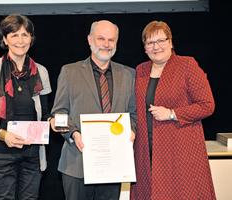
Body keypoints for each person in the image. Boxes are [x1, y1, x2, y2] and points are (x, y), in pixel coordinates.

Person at [50, 20, 137, 200]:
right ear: (90, 40)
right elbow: (59, 113)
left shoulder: (129, 74)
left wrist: (132, 130)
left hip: (114, 165)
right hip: (76, 163)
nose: (106, 44)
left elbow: (133, 113)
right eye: (101, 38)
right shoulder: (69, 71)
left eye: (111, 40)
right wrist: (73, 133)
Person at [130, 21, 216, 199]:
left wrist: (172, 113)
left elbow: (207, 105)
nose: (156, 47)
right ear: (144, 47)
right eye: (150, 43)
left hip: (180, 150)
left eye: (161, 40)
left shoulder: (187, 65)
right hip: (146, 152)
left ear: (170, 42)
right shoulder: (140, 70)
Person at [0, 14, 52, 200]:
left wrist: (53, 121)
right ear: (5, 39)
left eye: (25, 35)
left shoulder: (41, 71)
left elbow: (45, 112)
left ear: (31, 39)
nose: (20, 41)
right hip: (0, 151)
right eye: (14, 35)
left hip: (32, 152)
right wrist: (3, 134)